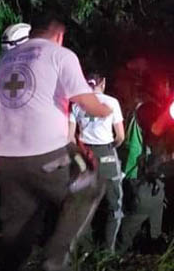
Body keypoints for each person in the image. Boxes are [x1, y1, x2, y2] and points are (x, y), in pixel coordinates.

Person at [0, 18, 113, 271]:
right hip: (46, 154)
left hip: (6, 157)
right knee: (89, 187)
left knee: (19, 221)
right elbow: (87, 102)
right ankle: (55, 261)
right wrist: (105, 109)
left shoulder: (5, 62)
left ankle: (10, 264)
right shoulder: (60, 55)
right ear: (58, 35)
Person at [117, 80, 174, 254]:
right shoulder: (148, 109)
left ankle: (153, 247)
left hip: (137, 173)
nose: (167, 90)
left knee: (154, 213)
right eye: (164, 86)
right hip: (143, 176)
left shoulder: (137, 108)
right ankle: (115, 254)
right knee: (138, 215)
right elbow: (155, 131)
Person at [69, 73, 125, 253]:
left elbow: (70, 138)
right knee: (114, 205)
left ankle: (85, 250)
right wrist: (111, 147)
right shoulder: (112, 102)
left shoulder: (76, 103)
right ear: (103, 83)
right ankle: (108, 251)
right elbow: (120, 136)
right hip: (106, 154)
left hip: (85, 155)